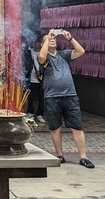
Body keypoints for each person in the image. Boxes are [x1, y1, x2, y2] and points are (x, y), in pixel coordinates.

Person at [37, 28, 94, 169]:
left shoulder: (64, 54)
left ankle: (83, 157)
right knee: (55, 127)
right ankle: (60, 154)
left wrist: (70, 38)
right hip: (52, 97)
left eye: (54, 38)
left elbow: (81, 51)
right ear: (42, 44)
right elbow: (42, 57)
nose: (52, 40)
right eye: (49, 39)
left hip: (70, 95)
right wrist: (47, 37)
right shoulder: (44, 58)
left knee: (77, 127)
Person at [25, 36, 45, 124]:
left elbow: (47, 66)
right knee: (30, 97)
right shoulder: (29, 52)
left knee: (41, 98)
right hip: (31, 78)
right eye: (35, 42)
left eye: (38, 42)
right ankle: (30, 112)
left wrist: (41, 72)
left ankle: (40, 114)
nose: (36, 44)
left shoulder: (44, 53)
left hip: (41, 80)